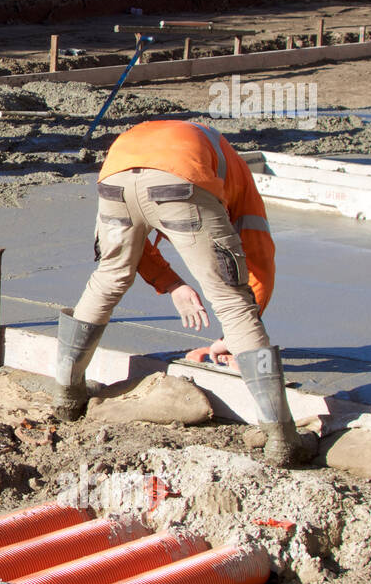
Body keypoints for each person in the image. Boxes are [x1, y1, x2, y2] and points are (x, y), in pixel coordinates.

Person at [50, 119, 311, 467]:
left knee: (109, 278)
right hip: (181, 176)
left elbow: (136, 243)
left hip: (115, 172)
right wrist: (231, 335)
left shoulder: (177, 141)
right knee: (233, 303)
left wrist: (172, 283)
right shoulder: (237, 179)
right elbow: (258, 260)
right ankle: (282, 438)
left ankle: (67, 395)